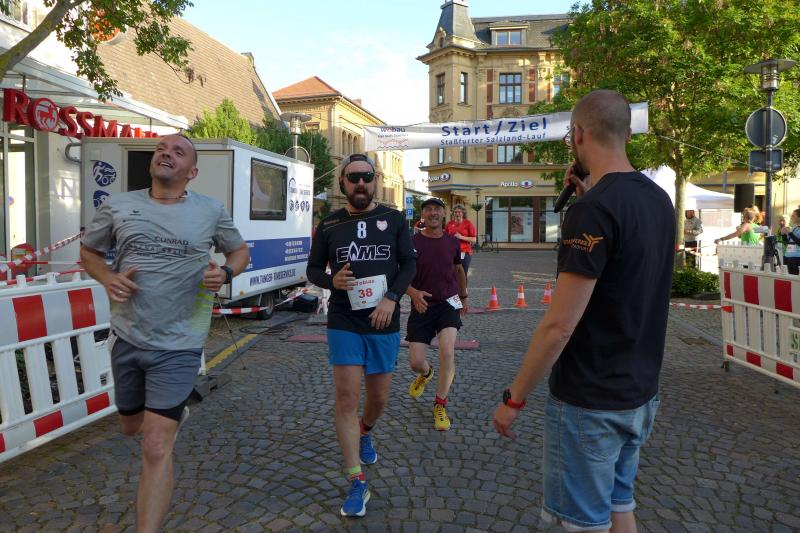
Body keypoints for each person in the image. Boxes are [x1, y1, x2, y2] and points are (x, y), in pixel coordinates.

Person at [492, 90, 674, 533]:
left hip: (589, 398)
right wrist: (589, 197)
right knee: (620, 504)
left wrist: (514, 399)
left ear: (577, 135)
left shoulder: (592, 211)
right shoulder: (658, 200)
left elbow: (559, 325)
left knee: (582, 523)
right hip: (639, 391)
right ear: (626, 134)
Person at [80, 134, 250, 533]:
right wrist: (108, 277)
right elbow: (89, 253)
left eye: (178, 151)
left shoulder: (210, 210)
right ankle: (173, 410)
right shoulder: (118, 205)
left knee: (156, 446)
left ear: (192, 172)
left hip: (181, 343)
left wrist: (225, 273)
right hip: (128, 336)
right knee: (130, 427)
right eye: (161, 149)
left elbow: (239, 252)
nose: (166, 153)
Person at [306, 153, 417, 517]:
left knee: (379, 396)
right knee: (346, 398)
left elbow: (409, 264)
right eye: (353, 177)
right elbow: (313, 270)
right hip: (344, 320)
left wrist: (392, 297)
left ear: (375, 181)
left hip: (383, 319)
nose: (360, 183)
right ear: (342, 182)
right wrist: (331, 280)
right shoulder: (330, 224)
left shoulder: (394, 218)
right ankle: (356, 480)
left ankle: (366, 430)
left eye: (366, 176)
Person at [406, 197, 468, 431]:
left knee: (447, 351)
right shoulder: (411, 243)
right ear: (423, 215)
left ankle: (440, 404)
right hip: (422, 304)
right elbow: (399, 275)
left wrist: (463, 296)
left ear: (444, 214)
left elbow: (459, 270)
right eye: (428, 209)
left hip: (448, 303)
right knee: (416, 362)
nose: (433, 213)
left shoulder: (453, 242)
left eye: (437, 209)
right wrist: (413, 293)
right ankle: (426, 373)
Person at [445, 204, 477, 274]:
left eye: (459, 212)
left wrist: (461, 237)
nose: (457, 214)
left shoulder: (468, 223)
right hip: (452, 252)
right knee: (452, 274)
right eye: (455, 212)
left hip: (464, 253)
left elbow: (474, 239)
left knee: (463, 274)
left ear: (463, 213)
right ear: (453, 213)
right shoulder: (449, 224)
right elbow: (445, 238)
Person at [781, 208, 800, 275]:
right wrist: (783, 234)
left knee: (796, 278)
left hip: (797, 257)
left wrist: (789, 233)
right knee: (789, 278)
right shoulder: (795, 228)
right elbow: (787, 243)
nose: (791, 217)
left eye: (793, 215)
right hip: (788, 256)